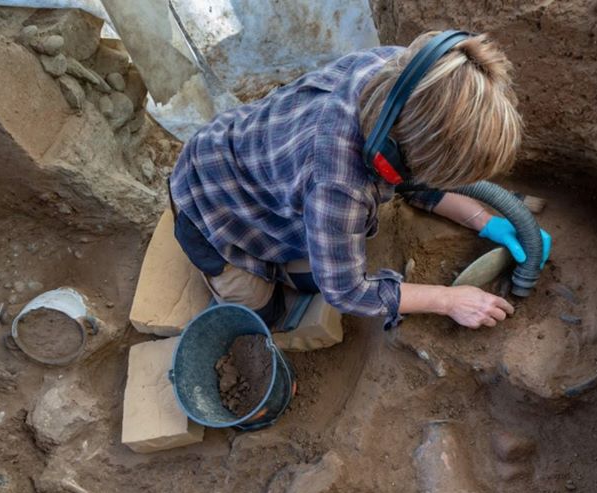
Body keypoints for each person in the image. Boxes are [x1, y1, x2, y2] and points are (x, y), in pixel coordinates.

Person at [167, 31, 551, 330]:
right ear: (394, 159)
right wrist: (448, 300)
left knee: (321, 265)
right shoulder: (339, 184)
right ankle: (234, 270)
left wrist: (485, 221)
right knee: (266, 314)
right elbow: (346, 292)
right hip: (211, 208)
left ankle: (293, 262)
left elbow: (415, 180)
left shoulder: (404, 76)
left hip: (257, 162)